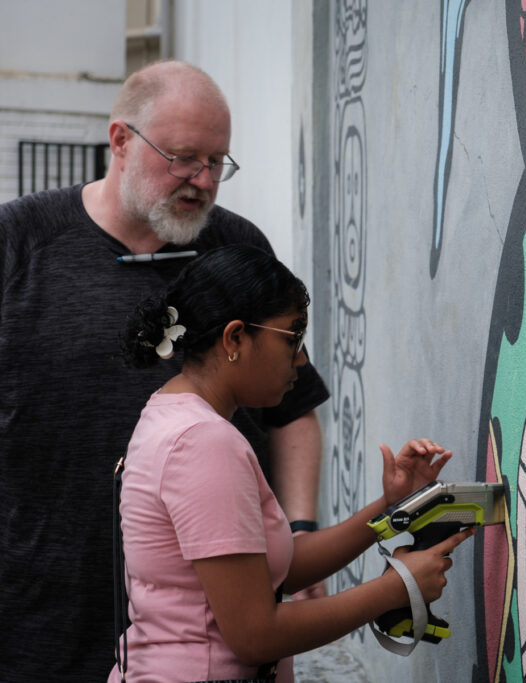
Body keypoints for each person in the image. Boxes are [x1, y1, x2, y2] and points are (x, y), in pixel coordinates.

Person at [0, 60, 328, 680]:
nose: (202, 181)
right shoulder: (18, 241)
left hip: (212, 619)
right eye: (182, 158)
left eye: (218, 162)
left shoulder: (239, 251)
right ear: (120, 139)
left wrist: (302, 528)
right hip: (41, 612)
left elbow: (293, 412)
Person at [112, 245, 472, 682]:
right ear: (235, 339)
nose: (301, 359)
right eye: (293, 336)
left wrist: (390, 507)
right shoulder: (202, 442)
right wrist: (396, 588)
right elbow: (254, 635)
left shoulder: (172, 414)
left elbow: (269, 569)